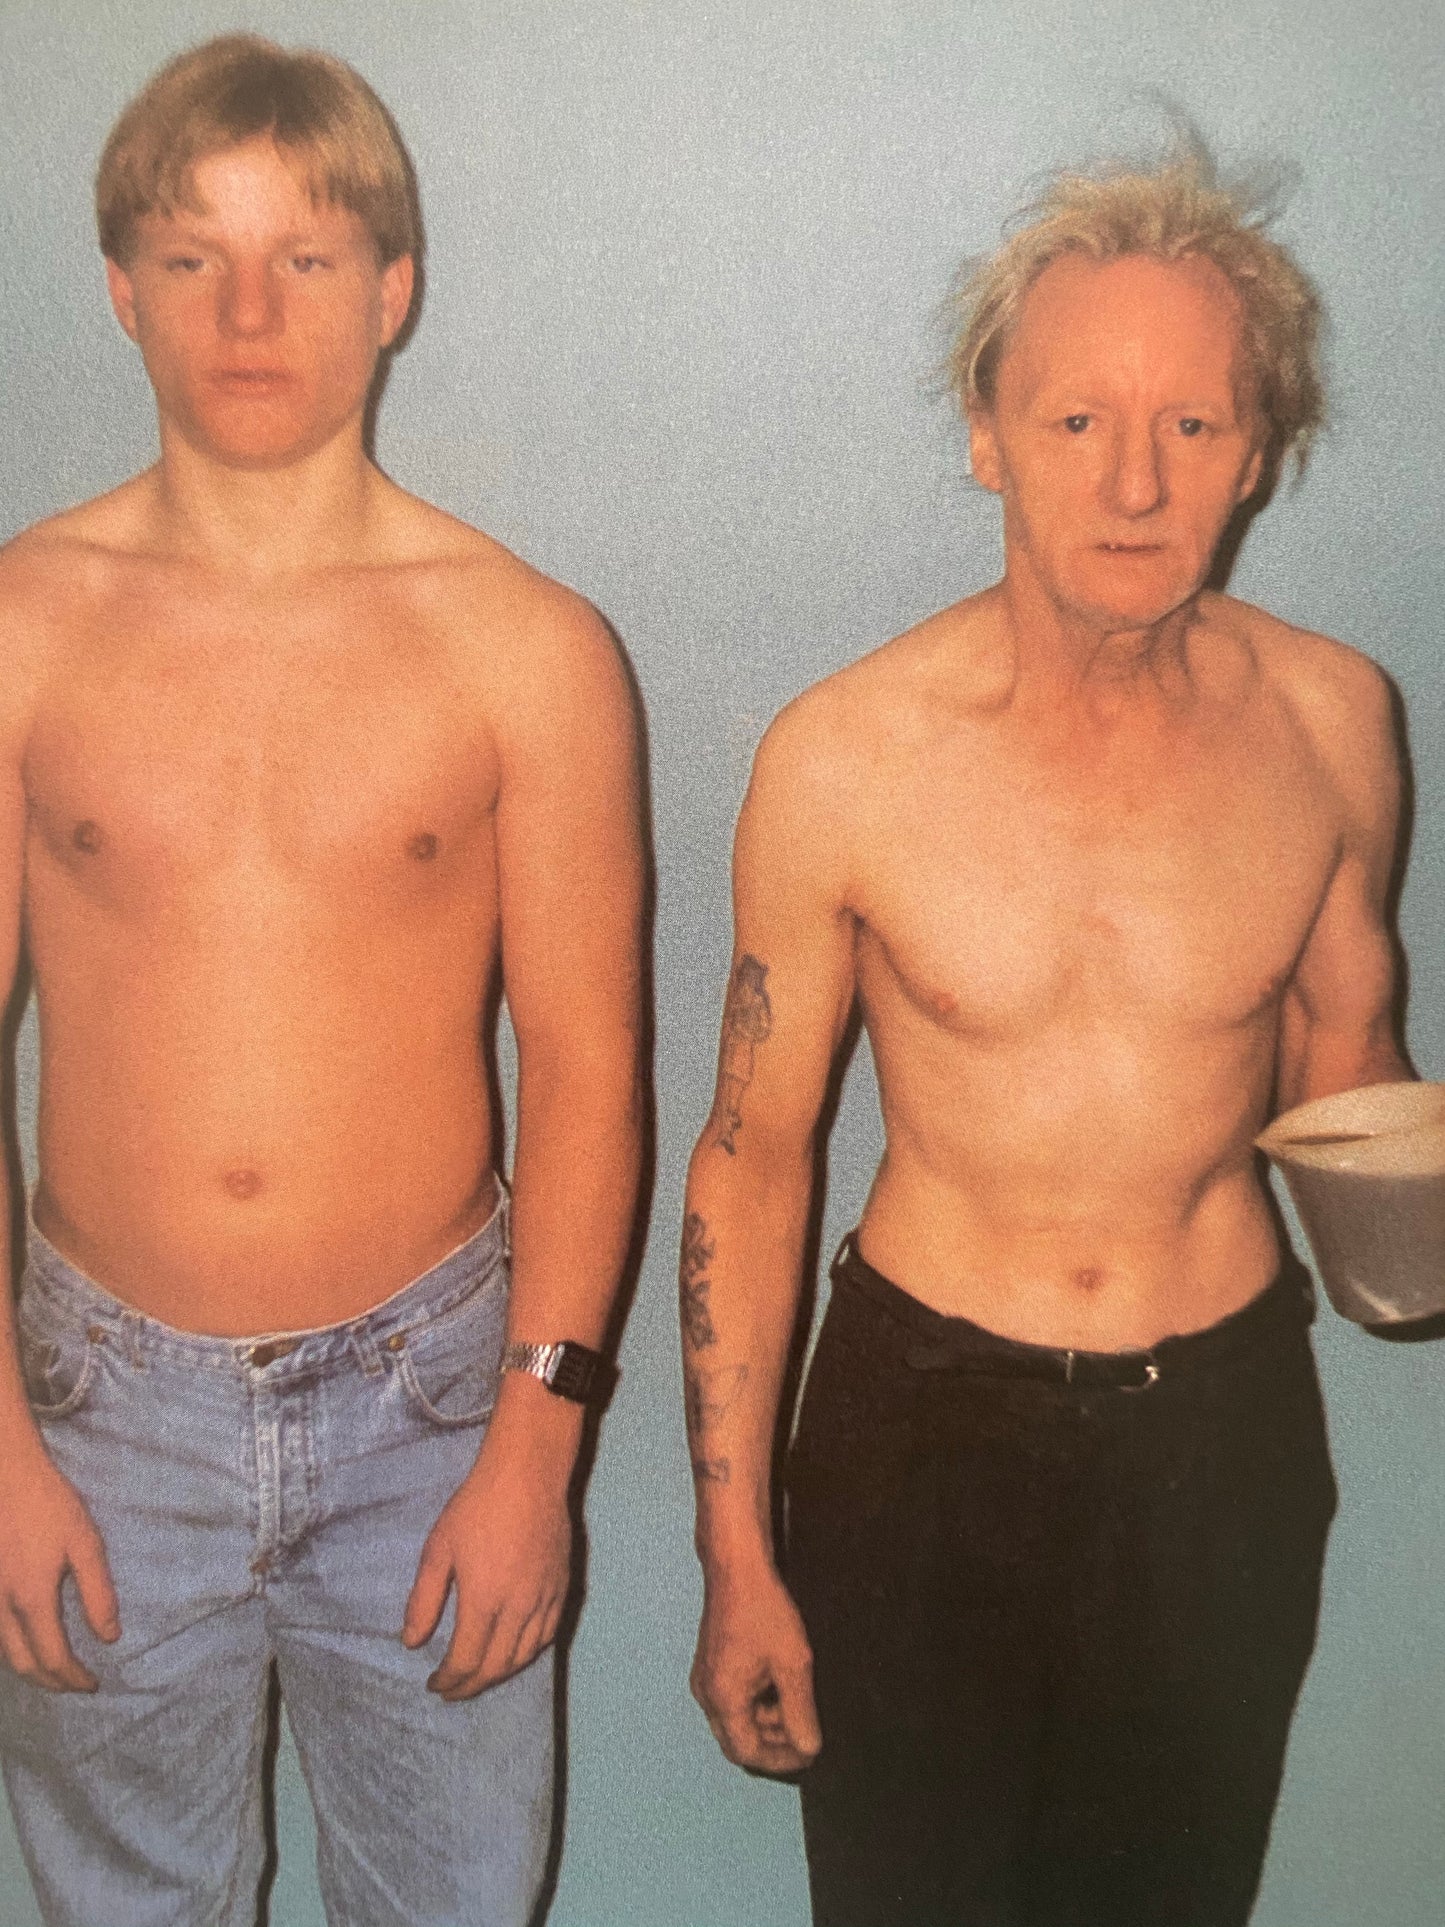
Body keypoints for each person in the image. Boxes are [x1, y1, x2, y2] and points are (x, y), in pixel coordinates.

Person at [682, 149, 1412, 1927]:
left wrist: (1409, 1221)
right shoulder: (843, 757)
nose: (1134, 482)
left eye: (1191, 424)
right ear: (986, 434)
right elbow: (752, 1161)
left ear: (1258, 451)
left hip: (1220, 1440)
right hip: (916, 1441)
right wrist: (733, 1551)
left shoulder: (1331, 723)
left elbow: (1348, 1070)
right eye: (1077, 419)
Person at [0, 34, 643, 1927]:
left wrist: (537, 1448)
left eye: (305, 256)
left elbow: (590, 1070)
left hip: (434, 1409)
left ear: (393, 287)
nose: (250, 311)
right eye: (193, 258)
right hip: (96, 1413)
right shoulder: (24, 625)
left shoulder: (528, 647)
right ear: (121, 293)